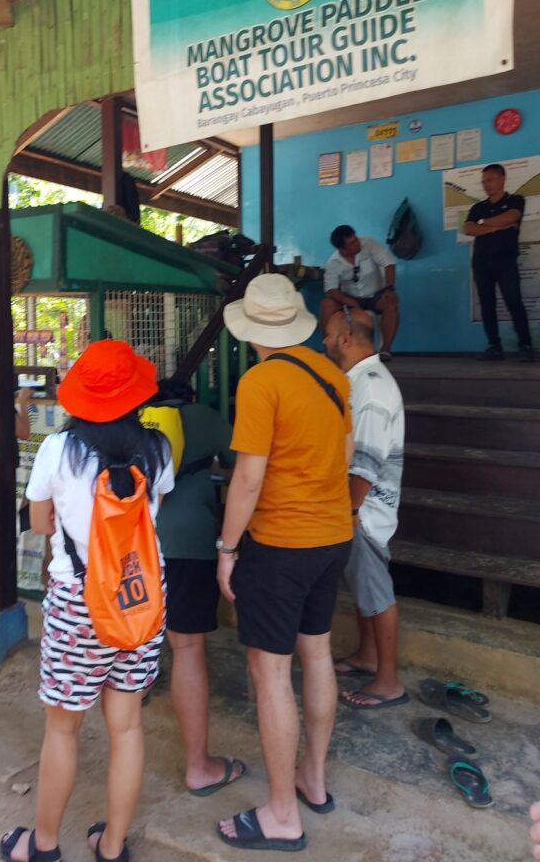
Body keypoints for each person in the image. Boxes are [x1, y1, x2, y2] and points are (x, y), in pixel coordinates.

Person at [0, 340, 173, 862]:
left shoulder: (60, 449)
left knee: (63, 728)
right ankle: (112, 845)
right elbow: (152, 511)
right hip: (140, 596)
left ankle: (44, 845)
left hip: (78, 601)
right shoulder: (158, 449)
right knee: (127, 725)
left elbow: (39, 522)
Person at [215, 274, 354, 853]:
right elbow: (345, 453)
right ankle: (312, 780)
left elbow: (248, 477)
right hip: (333, 536)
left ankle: (280, 814)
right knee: (316, 653)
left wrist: (227, 549)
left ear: (251, 330)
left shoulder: (260, 381)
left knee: (271, 672)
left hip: (280, 545)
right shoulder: (332, 374)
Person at [151, 379, 245, 796]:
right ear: (189, 398)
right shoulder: (207, 417)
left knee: (137, 637)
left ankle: (133, 697)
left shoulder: (137, 421)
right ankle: (198, 767)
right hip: (188, 543)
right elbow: (240, 466)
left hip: (136, 543)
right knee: (186, 648)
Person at [323, 307, 407, 710]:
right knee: (363, 586)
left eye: (328, 335)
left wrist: (351, 511)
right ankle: (369, 656)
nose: (324, 341)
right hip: (359, 506)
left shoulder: (370, 389)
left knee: (376, 591)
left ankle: (389, 681)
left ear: (345, 339)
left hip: (366, 510)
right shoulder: (359, 380)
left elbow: (366, 465)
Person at [463, 163, 534, 362]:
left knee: (514, 302)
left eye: (490, 180)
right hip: (481, 263)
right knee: (487, 305)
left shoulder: (515, 200)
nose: (486, 184)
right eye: (483, 181)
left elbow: (512, 216)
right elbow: (468, 229)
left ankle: (525, 345)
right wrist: (496, 226)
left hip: (506, 262)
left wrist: (483, 223)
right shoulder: (478, 207)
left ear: (502, 180)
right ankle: (494, 346)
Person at [321, 225, 399, 361]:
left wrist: (389, 288)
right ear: (342, 249)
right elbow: (331, 289)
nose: (357, 243)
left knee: (390, 301)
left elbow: (389, 263)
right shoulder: (333, 262)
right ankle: (330, 350)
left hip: (375, 296)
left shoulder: (369, 244)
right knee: (327, 304)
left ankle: (385, 350)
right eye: (352, 244)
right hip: (350, 299)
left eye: (356, 239)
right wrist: (350, 301)